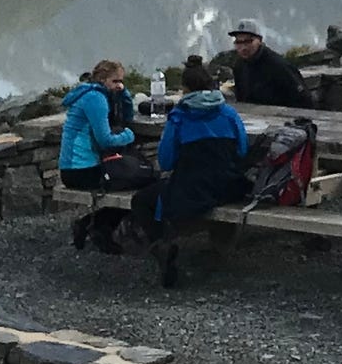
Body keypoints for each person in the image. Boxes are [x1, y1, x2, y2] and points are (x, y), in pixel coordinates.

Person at [148, 54, 251, 288]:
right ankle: (220, 247)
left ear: (184, 89)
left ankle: (163, 247)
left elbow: (165, 161)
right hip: (229, 187)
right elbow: (242, 150)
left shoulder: (179, 117)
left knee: (143, 200)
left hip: (191, 190)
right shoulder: (229, 113)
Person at [59, 60, 150, 252]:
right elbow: (105, 140)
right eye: (115, 81)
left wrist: (123, 94)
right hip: (80, 170)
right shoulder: (95, 99)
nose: (119, 85)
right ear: (102, 79)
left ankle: (94, 225)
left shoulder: (97, 94)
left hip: (77, 167)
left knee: (133, 177)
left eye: (121, 81)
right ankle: (100, 227)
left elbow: (127, 117)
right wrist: (129, 135)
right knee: (141, 178)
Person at [225, 20, 309, 109]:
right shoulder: (239, 66)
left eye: (248, 41)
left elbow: (303, 98)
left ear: (260, 41)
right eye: (239, 42)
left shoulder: (278, 65)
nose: (243, 47)